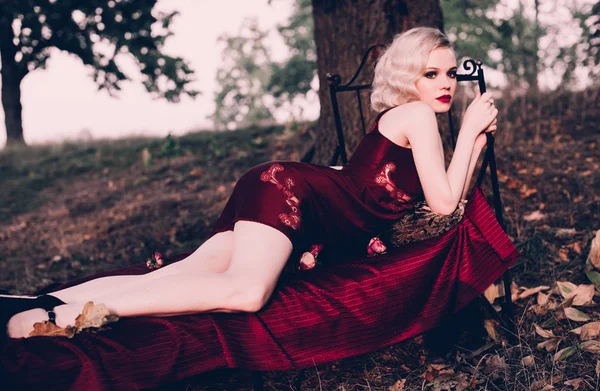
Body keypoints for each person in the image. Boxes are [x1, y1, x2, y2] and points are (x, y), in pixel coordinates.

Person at [2, 26, 498, 339]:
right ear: (409, 79)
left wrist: (472, 145)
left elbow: (432, 201)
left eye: (450, 73)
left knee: (174, 275)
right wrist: (471, 130)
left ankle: (38, 303)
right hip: (293, 195)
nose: (446, 84)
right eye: (431, 73)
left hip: (286, 188)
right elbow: (443, 202)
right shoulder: (416, 115)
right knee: (245, 291)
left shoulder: (399, 117)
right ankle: (73, 317)